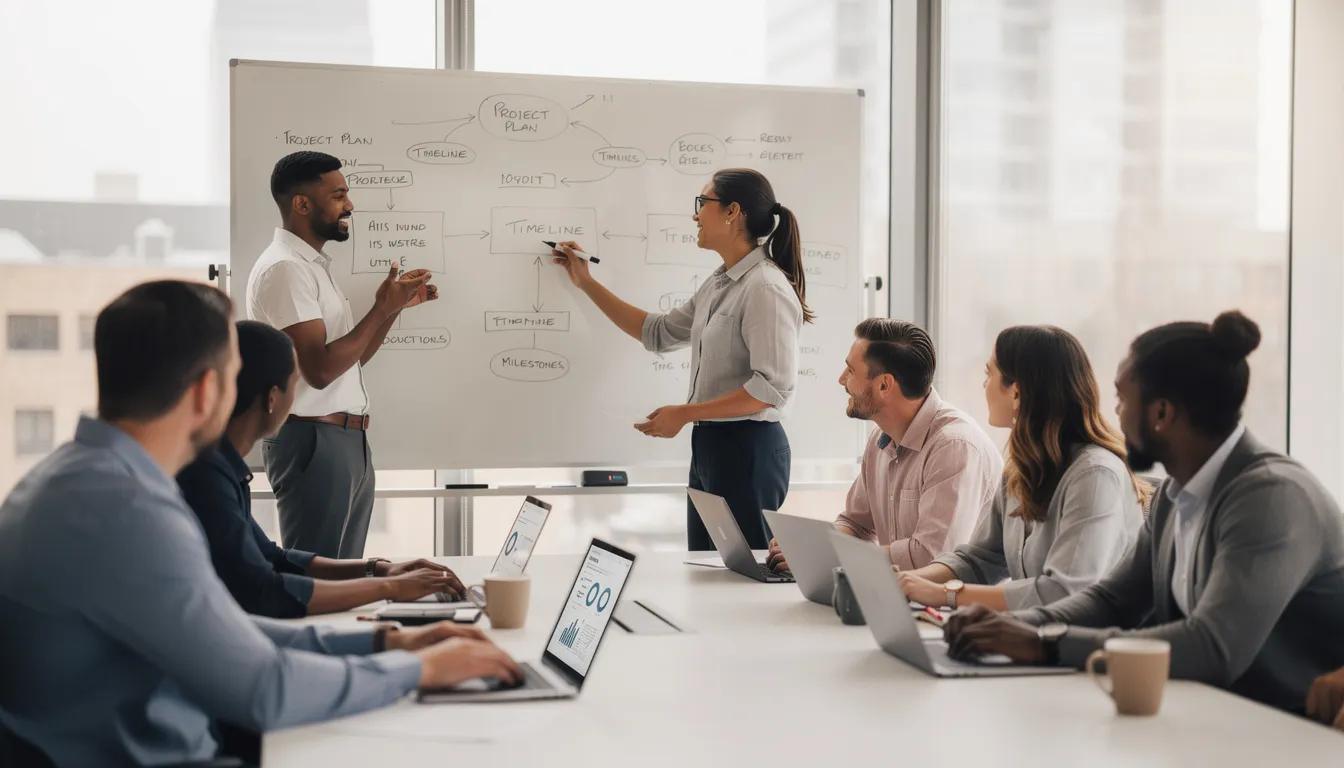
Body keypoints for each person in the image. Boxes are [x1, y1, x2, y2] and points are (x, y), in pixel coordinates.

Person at [0, 281, 519, 767]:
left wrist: (386, 643)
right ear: (207, 392)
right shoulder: (129, 511)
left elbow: (225, 633)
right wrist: (422, 670)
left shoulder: (73, 478)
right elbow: (265, 688)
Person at [942, 311, 1344, 715]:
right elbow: (1111, 601)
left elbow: (1212, 646)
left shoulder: (1269, 497)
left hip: (1288, 729)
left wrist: (1044, 641)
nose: (1114, 413)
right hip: (1214, 716)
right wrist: (1017, 627)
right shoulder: (1174, 494)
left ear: (1161, 414)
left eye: (1121, 398)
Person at [552, 168, 807, 550]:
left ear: (732, 211)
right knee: (707, 573)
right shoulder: (720, 282)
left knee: (745, 580)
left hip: (748, 451)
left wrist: (686, 413)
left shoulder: (765, 288)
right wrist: (586, 282)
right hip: (711, 448)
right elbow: (657, 332)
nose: (695, 215)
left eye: (703, 203)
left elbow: (770, 390)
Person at [178, 320, 467, 618]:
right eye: (294, 384)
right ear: (272, 398)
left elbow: (273, 558)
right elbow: (262, 592)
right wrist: (389, 588)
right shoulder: (205, 477)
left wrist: (382, 570)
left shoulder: (217, 466)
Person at [247, 150, 438, 559]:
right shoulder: (286, 270)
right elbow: (318, 370)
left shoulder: (312, 267)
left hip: (347, 442)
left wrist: (392, 311)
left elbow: (347, 361)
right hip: (314, 440)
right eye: (338, 195)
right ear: (302, 204)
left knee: (343, 576)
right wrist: (381, 309)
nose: (349, 205)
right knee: (317, 580)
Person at [893, 325, 1146, 611]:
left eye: (990, 374)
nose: (984, 385)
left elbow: (1063, 593)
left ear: (1016, 392)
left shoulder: (1095, 475)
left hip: (1089, 649)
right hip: (1036, 637)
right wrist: (905, 582)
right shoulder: (1020, 469)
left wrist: (944, 595)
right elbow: (978, 559)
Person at [768, 319, 1001, 572]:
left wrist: (827, 555)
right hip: (899, 595)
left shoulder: (954, 447)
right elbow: (856, 525)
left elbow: (931, 557)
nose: (841, 379)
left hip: (952, 607)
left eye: (850, 371)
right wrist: (814, 546)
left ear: (884, 385)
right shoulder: (880, 438)